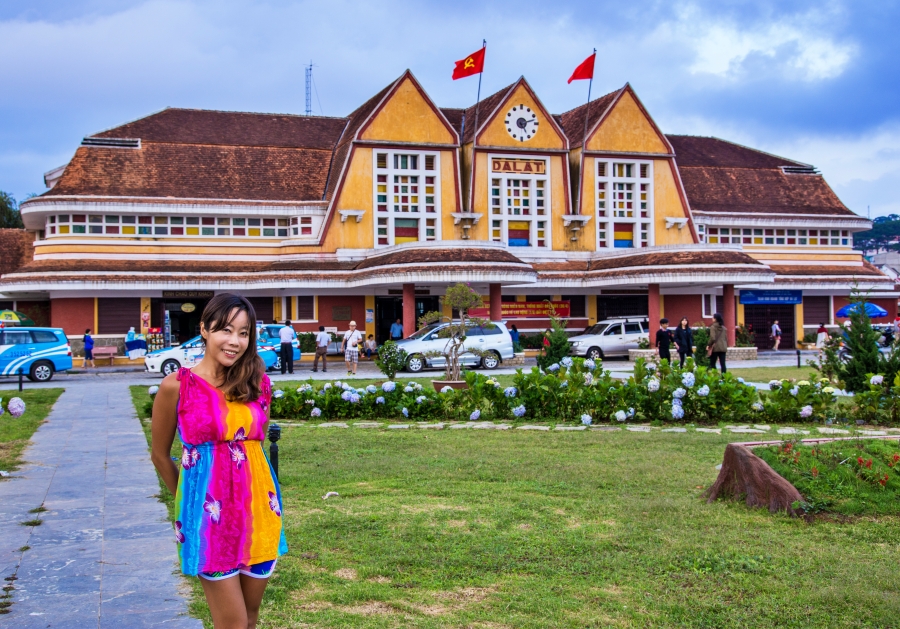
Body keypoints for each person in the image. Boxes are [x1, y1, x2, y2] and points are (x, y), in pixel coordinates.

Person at [150, 293, 287, 629]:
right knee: (233, 624)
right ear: (204, 329)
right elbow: (159, 454)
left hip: (259, 513)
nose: (235, 341)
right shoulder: (176, 386)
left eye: (244, 333)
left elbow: (253, 445)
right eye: (226, 330)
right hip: (208, 520)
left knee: (251, 618)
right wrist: (189, 503)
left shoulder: (257, 382)